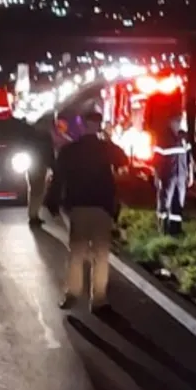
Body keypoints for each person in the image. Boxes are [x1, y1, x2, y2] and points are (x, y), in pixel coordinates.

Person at [47, 112, 128, 313]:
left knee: (76, 253)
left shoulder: (70, 150)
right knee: (101, 255)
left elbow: (59, 178)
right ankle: (99, 300)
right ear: (99, 126)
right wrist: (108, 139)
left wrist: (53, 202)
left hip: (78, 205)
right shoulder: (106, 148)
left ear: (82, 126)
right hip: (102, 206)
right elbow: (123, 161)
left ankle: (72, 293)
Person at [152, 115, 193, 237]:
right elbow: (156, 161)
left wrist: (190, 174)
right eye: (178, 122)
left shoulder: (184, 138)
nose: (179, 125)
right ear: (171, 124)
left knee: (178, 203)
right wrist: (157, 176)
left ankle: (175, 230)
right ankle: (163, 229)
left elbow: (189, 158)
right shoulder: (163, 138)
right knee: (165, 202)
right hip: (167, 176)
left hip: (181, 177)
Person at [27, 125, 55, 227]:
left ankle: (33, 214)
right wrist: (52, 164)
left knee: (35, 190)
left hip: (35, 164)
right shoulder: (45, 136)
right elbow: (49, 151)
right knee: (38, 190)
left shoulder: (31, 136)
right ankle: (33, 214)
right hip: (40, 165)